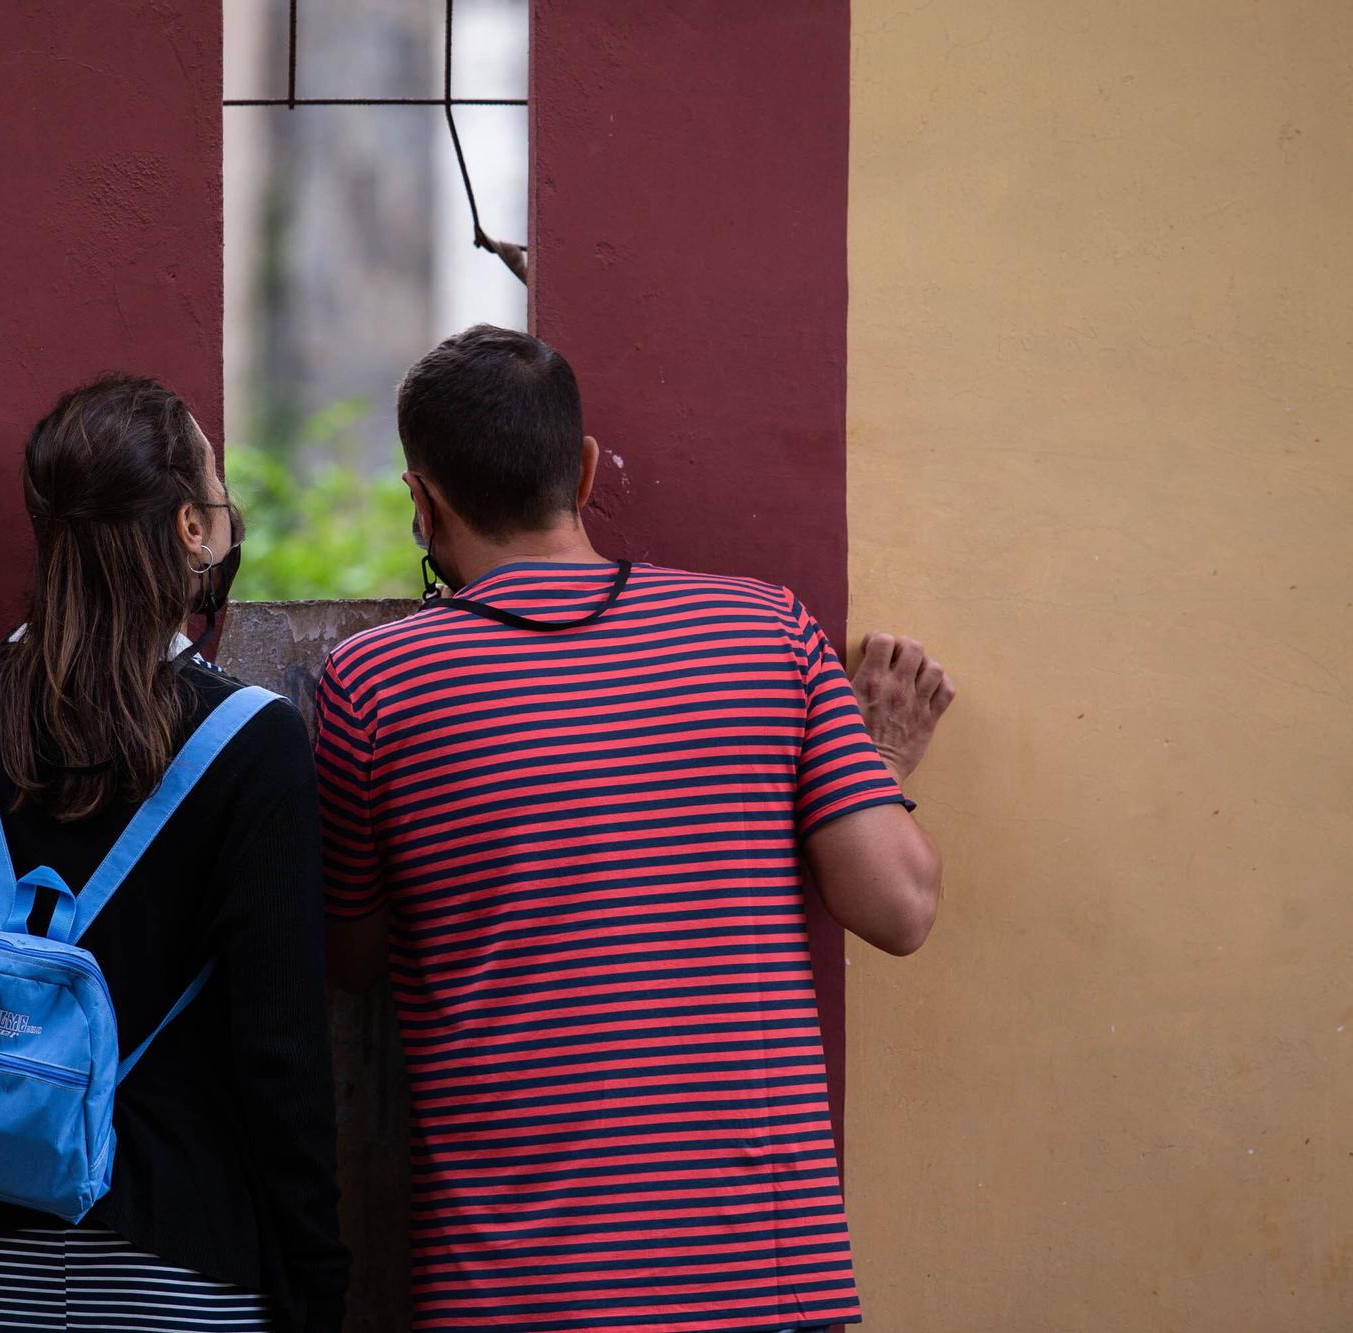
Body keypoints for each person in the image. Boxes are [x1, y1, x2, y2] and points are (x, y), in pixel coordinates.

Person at [314, 325, 954, 1333]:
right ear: (579, 467)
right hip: (762, 1289)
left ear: (421, 502)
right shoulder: (765, 631)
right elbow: (898, 907)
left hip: (513, 1296)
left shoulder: (374, 683)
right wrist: (873, 756)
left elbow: (346, 953)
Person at [0, 375, 349, 1333]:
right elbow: (282, 1059)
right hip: (184, 1273)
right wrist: (314, 1287)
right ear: (193, 528)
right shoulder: (253, 742)